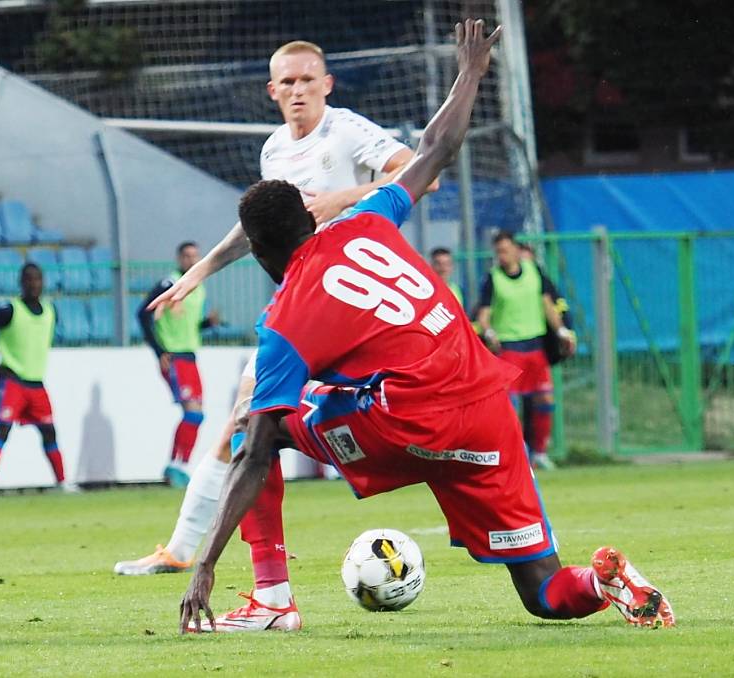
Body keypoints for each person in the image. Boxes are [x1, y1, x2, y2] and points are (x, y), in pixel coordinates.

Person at [178, 18, 674, 635]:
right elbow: (436, 149)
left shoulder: (284, 320)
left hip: (411, 419)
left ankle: (273, 599)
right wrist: (469, 72)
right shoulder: (373, 219)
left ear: (257, 252)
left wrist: (204, 565)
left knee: (266, 424)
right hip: (488, 408)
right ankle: (602, 584)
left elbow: (252, 456)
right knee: (543, 590)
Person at [114, 36, 436, 618]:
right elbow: (258, 227)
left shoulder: (346, 132)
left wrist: (342, 198)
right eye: (286, 83)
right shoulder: (272, 152)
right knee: (242, 425)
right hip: (301, 308)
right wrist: (200, 271)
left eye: (307, 80)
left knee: (262, 426)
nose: (297, 91)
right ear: (271, 90)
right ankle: (193, 554)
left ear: (327, 83)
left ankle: (249, 583)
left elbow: (421, 175)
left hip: (353, 308)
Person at [0, 263, 77, 497]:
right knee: (3, 430)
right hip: (14, 382)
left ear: (43, 282)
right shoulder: (10, 310)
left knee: (50, 432)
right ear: (21, 282)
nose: (34, 284)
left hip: (37, 383)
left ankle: (62, 482)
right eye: (28, 279)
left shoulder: (50, 311)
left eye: (37, 279)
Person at [476, 232, 576, 470]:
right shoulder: (493, 278)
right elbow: (483, 315)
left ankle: (540, 452)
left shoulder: (534, 271)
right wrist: (488, 332)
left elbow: (547, 305)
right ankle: (516, 454)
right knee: (510, 407)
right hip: (509, 349)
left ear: (516, 250)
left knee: (545, 397)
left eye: (506, 250)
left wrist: (561, 331)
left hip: (535, 345)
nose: (502, 255)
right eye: (498, 251)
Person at [137, 241, 221, 488]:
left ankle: (179, 466)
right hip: (174, 357)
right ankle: (175, 467)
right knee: (193, 413)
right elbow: (143, 313)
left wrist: (207, 324)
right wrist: (159, 350)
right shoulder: (169, 283)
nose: (192, 260)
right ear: (178, 258)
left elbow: (188, 325)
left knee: (197, 415)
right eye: (187, 256)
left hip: (190, 356)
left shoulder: (198, 286)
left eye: (195, 256)